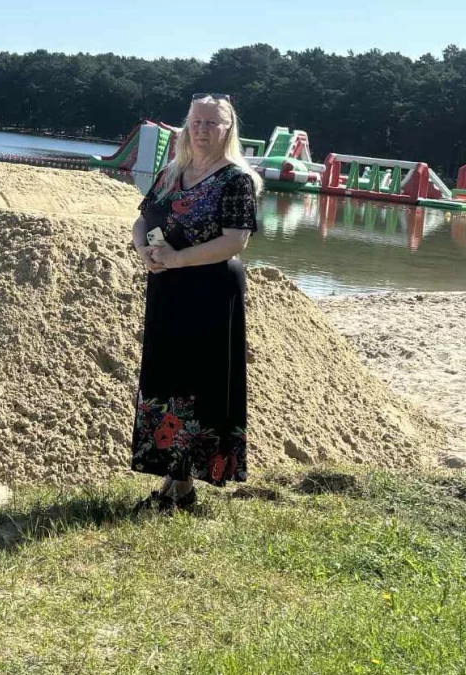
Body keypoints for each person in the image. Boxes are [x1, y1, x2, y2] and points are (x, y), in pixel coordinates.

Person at [129, 93, 262, 513]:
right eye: (197, 122)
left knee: (198, 381)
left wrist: (177, 258)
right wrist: (143, 251)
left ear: (228, 129)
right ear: (188, 127)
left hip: (209, 291)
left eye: (212, 123)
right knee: (166, 376)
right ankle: (173, 479)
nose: (203, 130)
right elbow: (142, 219)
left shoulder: (237, 179)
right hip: (167, 288)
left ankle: (182, 485)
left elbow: (236, 241)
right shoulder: (173, 171)